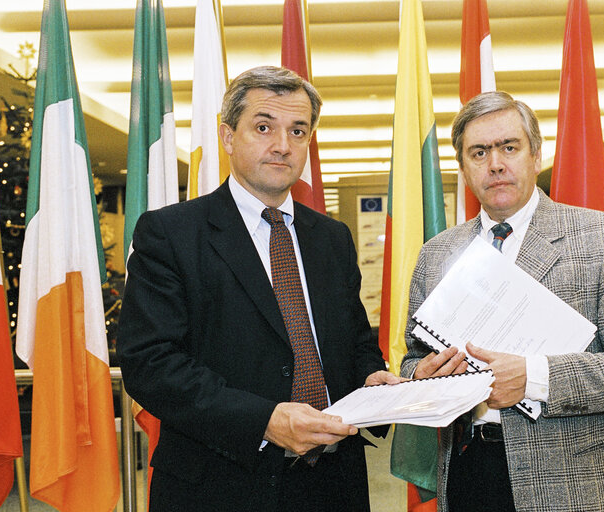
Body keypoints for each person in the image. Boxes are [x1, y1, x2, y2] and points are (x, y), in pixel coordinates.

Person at [117, 65, 398, 512]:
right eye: (264, 127)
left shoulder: (332, 238)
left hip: (333, 483)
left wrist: (373, 379)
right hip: (219, 484)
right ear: (228, 136)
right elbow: (151, 363)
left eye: (298, 130)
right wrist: (265, 421)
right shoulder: (171, 233)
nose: (282, 145)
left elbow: (356, 343)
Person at [400, 91, 604, 512]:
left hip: (571, 485)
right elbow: (412, 358)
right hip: (466, 475)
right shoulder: (437, 254)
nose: (495, 163)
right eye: (479, 152)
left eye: (508, 147)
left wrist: (534, 376)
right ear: (463, 168)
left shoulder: (603, 237)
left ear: (536, 155)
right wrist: (422, 372)